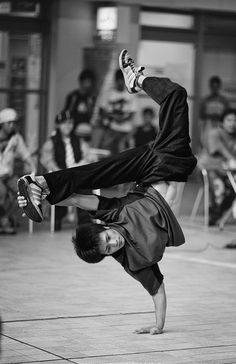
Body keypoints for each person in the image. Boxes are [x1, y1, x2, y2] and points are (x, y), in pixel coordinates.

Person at [17, 49, 197, 334]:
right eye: (109, 248)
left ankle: (39, 184)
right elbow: (157, 290)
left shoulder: (113, 215)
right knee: (176, 96)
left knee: (96, 171)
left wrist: (50, 199)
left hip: (147, 173)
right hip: (173, 163)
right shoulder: (135, 262)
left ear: (105, 229)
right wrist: (158, 326)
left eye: (108, 238)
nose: (113, 243)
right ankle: (136, 80)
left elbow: (77, 198)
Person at [40, 110, 93, 230]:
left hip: (77, 174)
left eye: (70, 122)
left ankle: (85, 221)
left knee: (85, 186)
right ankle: (58, 217)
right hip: (60, 174)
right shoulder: (52, 142)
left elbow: (90, 155)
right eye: (64, 123)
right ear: (58, 125)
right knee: (59, 186)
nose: (68, 125)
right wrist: (60, 172)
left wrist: (80, 165)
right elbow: (46, 160)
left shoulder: (78, 140)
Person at [0, 108, 35, 234]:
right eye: (8, 123)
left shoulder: (16, 137)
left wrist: (32, 168)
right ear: (2, 124)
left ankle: (4, 219)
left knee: (23, 192)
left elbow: (25, 154)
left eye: (13, 123)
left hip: (8, 175)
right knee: (2, 193)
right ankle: (4, 221)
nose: (12, 125)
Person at [198, 108, 236, 226]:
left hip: (227, 171)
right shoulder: (214, 133)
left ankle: (219, 214)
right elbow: (218, 149)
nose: (233, 123)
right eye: (229, 120)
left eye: (235, 120)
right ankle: (216, 214)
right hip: (209, 168)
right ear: (222, 121)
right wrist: (231, 158)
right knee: (219, 187)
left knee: (233, 188)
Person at [94, 69, 137, 154]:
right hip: (110, 129)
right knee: (105, 152)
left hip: (126, 131)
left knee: (123, 155)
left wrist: (122, 119)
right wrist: (113, 117)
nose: (121, 83)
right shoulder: (108, 93)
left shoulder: (131, 94)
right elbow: (101, 111)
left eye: (123, 80)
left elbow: (132, 112)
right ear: (116, 80)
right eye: (119, 80)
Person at [200, 75, 229, 149]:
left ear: (219, 87)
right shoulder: (205, 100)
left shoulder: (224, 100)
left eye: (216, 86)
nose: (215, 89)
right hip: (208, 126)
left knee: (220, 145)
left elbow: (227, 114)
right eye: (213, 86)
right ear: (210, 86)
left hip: (220, 125)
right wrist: (210, 115)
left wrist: (219, 116)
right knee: (207, 145)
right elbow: (201, 115)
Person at [63, 69, 96, 134]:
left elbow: (93, 116)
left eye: (90, 82)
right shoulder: (72, 96)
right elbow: (67, 113)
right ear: (81, 82)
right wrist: (72, 103)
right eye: (87, 82)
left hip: (86, 130)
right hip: (73, 129)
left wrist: (90, 105)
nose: (89, 85)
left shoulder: (91, 98)